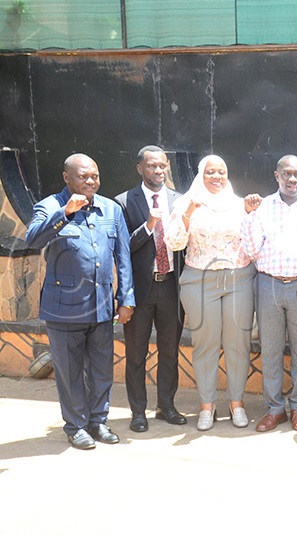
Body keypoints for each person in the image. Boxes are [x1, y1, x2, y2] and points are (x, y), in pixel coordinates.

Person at [25, 153, 135, 449]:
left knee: (101, 370)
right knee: (70, 372)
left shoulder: (110, 209)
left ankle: (98, 421)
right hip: (63, 309)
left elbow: (123, 258)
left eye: (95, 176)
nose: (91, 181)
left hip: (101, 307)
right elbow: (31, 239)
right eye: (83, 176)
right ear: (66, 178)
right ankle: (76, 427)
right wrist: (64, 213)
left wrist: (126, 299)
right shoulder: (49, 206)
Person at [165, 155, 258, 431]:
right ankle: (207, 407)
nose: (216, 177)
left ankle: (237, 404)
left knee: (237, 343)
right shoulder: (186, 202)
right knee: (205, 344)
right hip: (199, 280)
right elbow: (174, 242)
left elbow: (253, 242)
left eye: (221, 171)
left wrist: (251, 215)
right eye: (210, 172)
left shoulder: (239, 204)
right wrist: (189, 212)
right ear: (200, 175)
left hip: (238, 278)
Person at [241, 155, 297, 433]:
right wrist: (250, 215)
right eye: (287, 174)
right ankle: (275, 409)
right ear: (277, 175)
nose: (292, 179)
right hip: (269, 285)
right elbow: (250, 251)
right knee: (271, 351)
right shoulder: (262, 208)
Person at [114, 146, 187, 433]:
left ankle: (166, 406)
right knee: (136, 354)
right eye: (152, 166)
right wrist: (149, 225)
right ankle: (137, 412)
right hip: (140, 290)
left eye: (162, 166)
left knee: (169, 351)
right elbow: (123, 248)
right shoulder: (123, 202)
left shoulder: (180, 201)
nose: (158, 171)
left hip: (171, 286)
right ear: (140, 169)